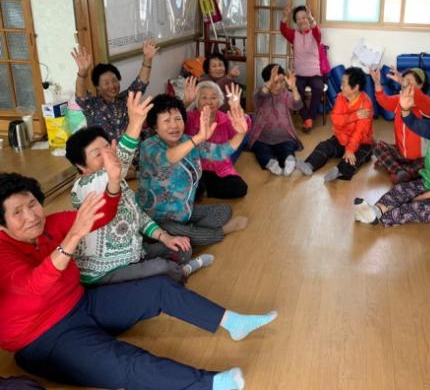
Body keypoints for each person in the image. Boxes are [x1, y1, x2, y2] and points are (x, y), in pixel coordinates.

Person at [0, 172, 277, 390]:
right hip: (42, 338)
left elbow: (104, 216)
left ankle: (233, 322)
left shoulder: (49, 224)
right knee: (126, 361)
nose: (31, 216)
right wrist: (73, 237)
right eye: (17, 212)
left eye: (32, 204)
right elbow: (34, 285)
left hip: (82, 304)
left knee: (158, 288)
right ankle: (210, 384)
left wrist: (113, 181)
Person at [65, 92, 213, 285]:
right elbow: (121, 163)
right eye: (97, 154)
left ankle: (154, 275)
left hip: (135, 252)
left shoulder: (119, 182)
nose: (108, 154)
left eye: (108, 147)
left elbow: (138, 216)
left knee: (182, 249)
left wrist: (165, 237)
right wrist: (135, 124)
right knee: (162, 267)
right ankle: (179, 272)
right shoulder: (85, 187)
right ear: (82, 166)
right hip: (106, 270)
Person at [354, 87, 430, 226]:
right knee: (400, 189)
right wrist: (405, 109)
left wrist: (422, 197)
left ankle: (375, 216)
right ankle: (375, 211)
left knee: (415, 208)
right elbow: (414, 123)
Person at [137, 94, 249, 246]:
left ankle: (189, 232)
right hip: (156, 218)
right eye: (166, 121)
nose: (174, 125)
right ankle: (217, 232)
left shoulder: (186, 139)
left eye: (178, 119)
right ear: (155, 126)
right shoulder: (149, 146)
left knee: (224, 210)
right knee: (184, 241)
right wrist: (197, 139)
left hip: (184, 212)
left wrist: (241, 133)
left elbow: (220, 152)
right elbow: (169, 157)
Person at [296, 67, 373, 182]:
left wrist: (350, 149)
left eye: (344, 84)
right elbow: (336, 120)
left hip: (361, 142)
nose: (341, 86)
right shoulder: (340, 97)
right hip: (342, 138)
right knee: (325, 146)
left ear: (355, 88)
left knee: (356, 157)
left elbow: (360, 132)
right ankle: (309, 165)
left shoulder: (366, 104)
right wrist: (354, 116)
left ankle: (340, 171)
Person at [72, 40, 158, 142]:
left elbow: (140, 84)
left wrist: (147, 59)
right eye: (106, 83)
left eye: (114, 80)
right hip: (107, 151)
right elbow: (81, 96)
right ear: (98, 87)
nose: (112, 85)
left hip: (131, 149)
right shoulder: (93, 105)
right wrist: (82, 72)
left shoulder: (126, 99)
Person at [184, 79, 249, 198]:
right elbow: (176, 121)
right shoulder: (189, 118)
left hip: (220, 169)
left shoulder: (226, 119)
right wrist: (185, 103)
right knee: (192, 186)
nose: (209, 101)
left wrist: (237, 107)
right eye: (204, 97)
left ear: (219, 101)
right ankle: (202, 190)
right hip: (194, 168)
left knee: (240, 188)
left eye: (213, 97)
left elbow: (244, 126)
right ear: (196, 100)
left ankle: (204, 191)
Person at [370, 66, 430, 183]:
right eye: (404, 81)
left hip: (420, 157)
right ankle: (400, 171)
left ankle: (395, 168)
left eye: (409, 81)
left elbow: (424, 102)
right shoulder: (399, 100)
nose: (405, 84)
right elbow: (383, 100)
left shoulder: (427, 102)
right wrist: (377, 83)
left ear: (420, 85)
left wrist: (402, 81)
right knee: (377, 145)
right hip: (401, 153)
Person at [248, 63, 303, 176]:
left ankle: (289, 160)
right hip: (262, 138)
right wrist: (269, 84)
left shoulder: (286, 94)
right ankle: (270, 163)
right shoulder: (260, 94)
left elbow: (298, 105)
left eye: (282, 82)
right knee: (259, 149)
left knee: (287, 148)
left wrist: (293, 88)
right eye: (276, 82)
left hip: (284, 137)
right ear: (267, 82)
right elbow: (259, 96)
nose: (280, 85)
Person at [280, 4, 327, 133]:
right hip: (300, 73)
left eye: (304, 17)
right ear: (296, 21)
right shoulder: (294, 35)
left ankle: (309, 118)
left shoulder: (315, 34)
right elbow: (283, 30)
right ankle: (307, 118)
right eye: (298, 18)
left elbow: (317, 30)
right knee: (296, 89)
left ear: (308, 18)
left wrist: (311, 18)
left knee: (318, 88)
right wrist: (285, 17)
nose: (301, 20)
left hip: (315, 73)